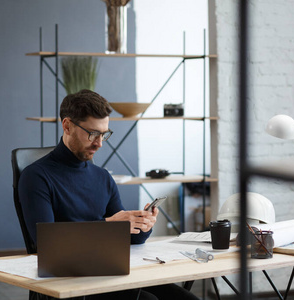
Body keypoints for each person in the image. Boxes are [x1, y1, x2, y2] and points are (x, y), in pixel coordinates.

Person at [19, 89, 199, 300]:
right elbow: (47, 244)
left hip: (109, 272)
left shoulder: (102, 177)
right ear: (66, 126)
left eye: (104, 134)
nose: (100, 143)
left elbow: (128, 239)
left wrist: (141, 225)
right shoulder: (36, 176)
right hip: (68, 281)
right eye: (92, 133)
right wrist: (109, 224)